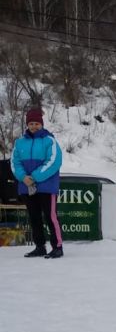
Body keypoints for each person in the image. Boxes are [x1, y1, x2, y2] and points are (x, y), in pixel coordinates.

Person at [11, 107, 63, 258]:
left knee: (50, 217)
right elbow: (15, 163)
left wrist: (33, 177)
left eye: (37, 123)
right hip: (27, 186)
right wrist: (23, 177)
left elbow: (54, 161)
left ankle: (57, 246)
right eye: (31, 123)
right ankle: (40, 247)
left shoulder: (50, 141)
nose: (34, 126)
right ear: (27, 125)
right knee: (34, 217)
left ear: (42, 124)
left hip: (46, 186)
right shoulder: (19, 142)